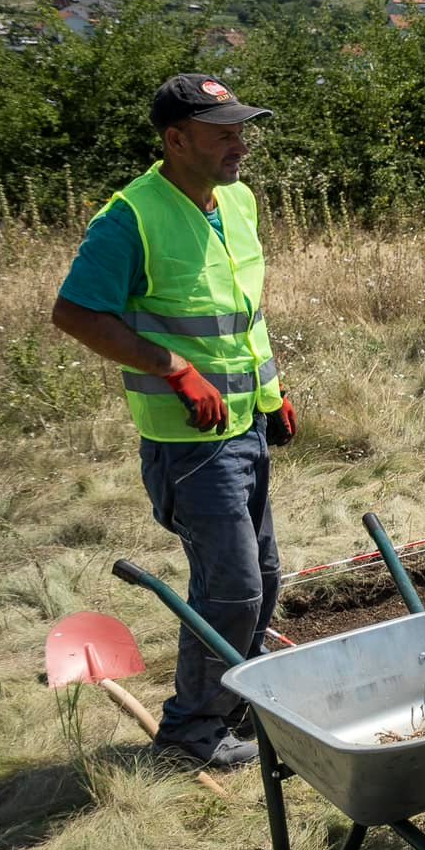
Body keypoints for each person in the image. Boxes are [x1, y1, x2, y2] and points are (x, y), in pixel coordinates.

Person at [51, 74, 295, 770]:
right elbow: (75, 314)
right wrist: (173, 369)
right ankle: (191, 733)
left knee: (265, 580)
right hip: (189, 446)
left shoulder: (237, 202)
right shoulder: (130, 217)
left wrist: (273, 394)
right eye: (223, 134)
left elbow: (242, 314)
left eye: (241, 131)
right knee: (231, 590)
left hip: (245, 426)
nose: (239, 145)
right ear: (176, 138)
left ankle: (238, 705)